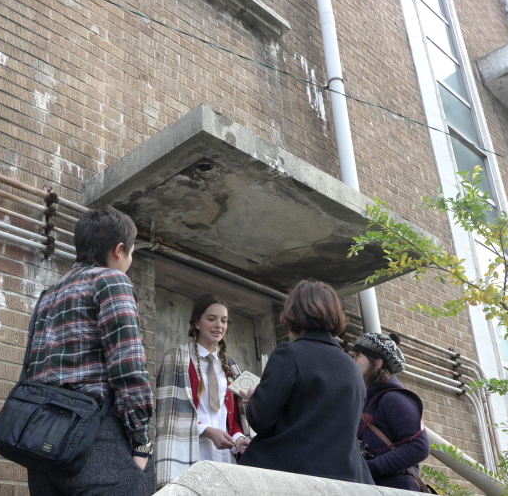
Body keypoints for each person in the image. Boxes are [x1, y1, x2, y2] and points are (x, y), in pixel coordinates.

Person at [25, 206, 154, 496]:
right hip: (98, 440)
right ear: (119, 250)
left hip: (43, 445)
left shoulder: (48, 295)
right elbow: (128, 366)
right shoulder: (111, 280)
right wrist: (141, 442)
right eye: (132, 253)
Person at [238, 280, 374, 484]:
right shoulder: (352, 367)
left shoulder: (290, 354)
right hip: (346, 478)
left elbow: (260, 420)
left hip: (293, 476)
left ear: (294, 312)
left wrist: (254, 398)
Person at [155, 294, 251, 489]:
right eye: (212, 319)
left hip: (226, 460)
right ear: (197, 323)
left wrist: (239, 439)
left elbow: (234, 418)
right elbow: (169, 414)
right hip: (190, 457)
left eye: (224, 320)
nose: (219, 325)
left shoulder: (231, 367)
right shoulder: (176, 359)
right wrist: (207, 431)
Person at [354, 332, 430, 491]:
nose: (353, 360)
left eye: (358, 355)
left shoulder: (394, 399)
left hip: (398, 489)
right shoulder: (366, 399)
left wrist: (369, 468)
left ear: (378, 363)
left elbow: (418, 447)